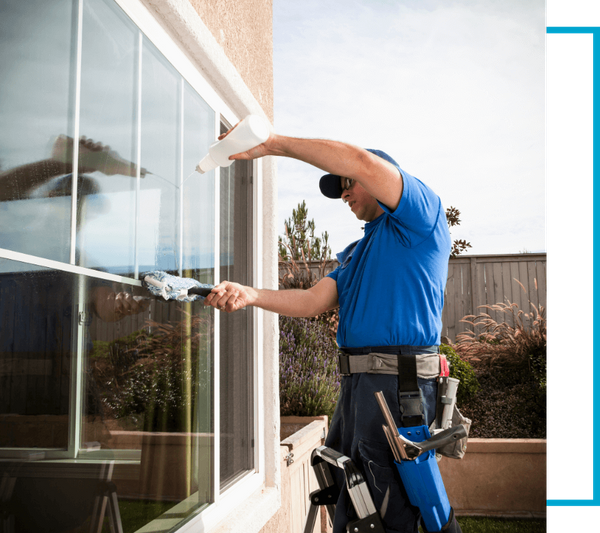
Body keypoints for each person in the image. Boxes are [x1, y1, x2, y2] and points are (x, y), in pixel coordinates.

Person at [203, 124, 459, 533]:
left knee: (394, 510)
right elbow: (311, 301)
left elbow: (360, 160)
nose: (343, 193)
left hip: (397, 387)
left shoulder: (420, 220)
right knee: (354, 501)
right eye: (339, 187)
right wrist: (249, 294)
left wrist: (273, 144)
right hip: (358, 389)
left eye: (348, 184)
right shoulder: (357, 252)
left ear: (380, 180)